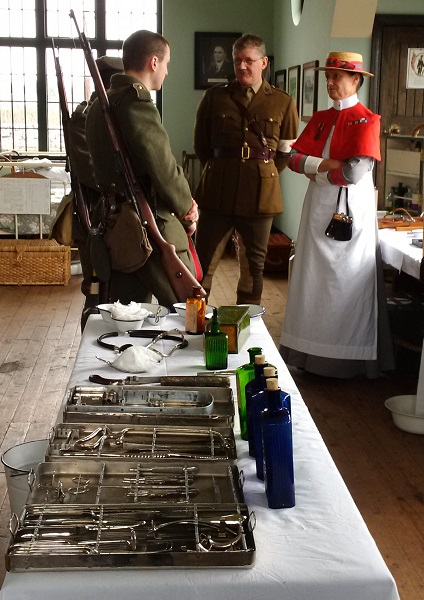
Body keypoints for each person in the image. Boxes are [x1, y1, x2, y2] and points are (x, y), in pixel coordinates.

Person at [280, 51, 394, 379]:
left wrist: (316, 170)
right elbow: (293, 160)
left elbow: (353, 174)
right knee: (313, 281)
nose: (329, 83)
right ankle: (307, 354)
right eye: (327, 77)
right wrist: (328, 165)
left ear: (356, 80)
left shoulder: (367, 120)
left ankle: (349, 359)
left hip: (351, 212)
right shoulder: (320, 119)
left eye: (337, 77)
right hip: (317, 210)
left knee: (345, 280)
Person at [86, 30, 198, 307]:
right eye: (167, 63)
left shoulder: (99, 105)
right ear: (154, 62)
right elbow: (163, 167)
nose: (167, 71)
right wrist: (187, 208)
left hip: (117, 227)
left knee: (127, 316)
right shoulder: (136, 101)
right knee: (187, 309)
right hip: (150, 224)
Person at [194, 33, 298, 305]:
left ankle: (245, 324)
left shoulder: (283, 102)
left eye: (249, 60)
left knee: (254, 268)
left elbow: (284, 153)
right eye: (237, 60)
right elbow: (202, 146)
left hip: (260, 198)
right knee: (201, 266)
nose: (242, 66)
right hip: (217, 193)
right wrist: (221, 171)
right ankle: (194, 322)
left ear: (263, 62)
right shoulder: (214, 98)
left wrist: (262, 175)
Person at [67, 56, 124, 330]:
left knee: (122, 290)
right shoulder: (83, 117)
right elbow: (91, 173)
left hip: (119, 219)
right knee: (96, 292)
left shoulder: (115, 114)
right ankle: (90, 349)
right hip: (93, 217)